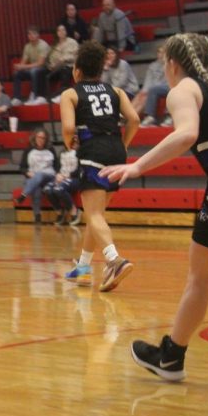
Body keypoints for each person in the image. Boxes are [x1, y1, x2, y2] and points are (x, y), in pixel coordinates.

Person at [101, 34, 208, 382]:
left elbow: (186, 134)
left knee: (201, 279)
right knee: (202, 277)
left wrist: (136, 167)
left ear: (173, 65)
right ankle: (170, 356)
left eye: (164, 65)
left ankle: (171, 358)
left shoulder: (184, 89)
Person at [60, 40, 140, 292]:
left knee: (93, 215)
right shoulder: (116, 91)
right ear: (100, 70)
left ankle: (114, 260)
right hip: (116, 152)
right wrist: (124, 145)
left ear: (77, 70)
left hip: (92, 151)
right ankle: (83, 267)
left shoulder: (70, 94)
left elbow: (69, 128)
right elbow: (134, 119)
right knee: (97, 216)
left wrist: (68, 143)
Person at [13, 128, 58, 223]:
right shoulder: (28, 150)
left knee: (40, 174)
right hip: (33, 177)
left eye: (43, 138)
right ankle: (37, 215)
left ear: (46, 139)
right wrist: (27, 172)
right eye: (39, 137)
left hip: (49, 176)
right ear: (35, 138)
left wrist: (58, 175)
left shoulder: (50, 149)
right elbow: (22, 167)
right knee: (36, 189)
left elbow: (57, 165)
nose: (41, 140)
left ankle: (23, 195)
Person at [41, 147, 81, 226]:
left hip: (75, 178)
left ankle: (74, 211)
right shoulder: (62, 153)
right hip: (61, 177)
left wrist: (67, 176)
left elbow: (81, 169)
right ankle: (60, 212)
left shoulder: (81, 152)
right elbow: (57, 167)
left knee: (58, 189)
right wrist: (58, 174)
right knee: (47, 189)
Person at [11, 26, 50, 105]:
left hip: (45, 69)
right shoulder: (27, 46)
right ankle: (17, 98)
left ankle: (34, 96)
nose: (31, 36)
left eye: (33, 34)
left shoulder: (43, 45)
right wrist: (19, 67)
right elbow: (24, 62)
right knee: (17, 73)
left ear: (38, 35)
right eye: (29, 34)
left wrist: (23, 67)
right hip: (33, 68)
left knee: (34, 71)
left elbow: (40, 63)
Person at [136, 46, 171, 127]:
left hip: (168, 86)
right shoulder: (152, 65)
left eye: (163, 52)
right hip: (155, 87)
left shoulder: (170, 64)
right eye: (159, 52)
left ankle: (150, 116)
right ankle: (128, 117)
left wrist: (150, 89)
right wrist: (144, 90)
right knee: (140, 95)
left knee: (152, 90)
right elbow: (148, 79)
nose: (161, 55)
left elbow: (168, 81)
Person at [46, 24, 79, 102]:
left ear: (66, 32)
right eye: (59, 30)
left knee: (65, 70)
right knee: (42, 72)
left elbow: (76, 56)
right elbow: (51, 60)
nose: (61, 32)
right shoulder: (54, 45)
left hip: (69, 66)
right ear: (56, 33)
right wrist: (52, 65)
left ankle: (58, 95)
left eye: (63, 30)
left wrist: (63, 59)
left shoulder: (72, 42)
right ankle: (42, 96)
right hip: (56, 68)